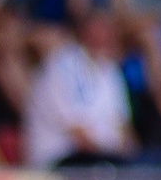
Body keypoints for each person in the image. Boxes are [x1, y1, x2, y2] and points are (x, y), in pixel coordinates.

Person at [23, 9, 133, 169]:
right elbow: (79, 136)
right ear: (84, 31)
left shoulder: (110, 70)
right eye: (97, 29)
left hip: (101, 159)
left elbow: (124, 129)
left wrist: (131, 159)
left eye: (107, 29)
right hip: (58, 161)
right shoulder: (61, 65)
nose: (103, 36)